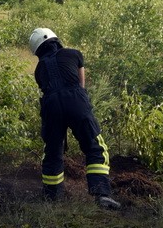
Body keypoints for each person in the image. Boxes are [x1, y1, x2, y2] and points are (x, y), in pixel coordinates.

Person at [29, 27, 120, 210]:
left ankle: (52, 198)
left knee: (53, 151)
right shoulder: (74, 54)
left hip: (51, 106)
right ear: (56, 39)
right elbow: (81, 84)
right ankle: (101, 194)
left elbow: (46, 88)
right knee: (94, 146)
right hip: (76, 101)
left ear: (37, 49)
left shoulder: (39, 69)